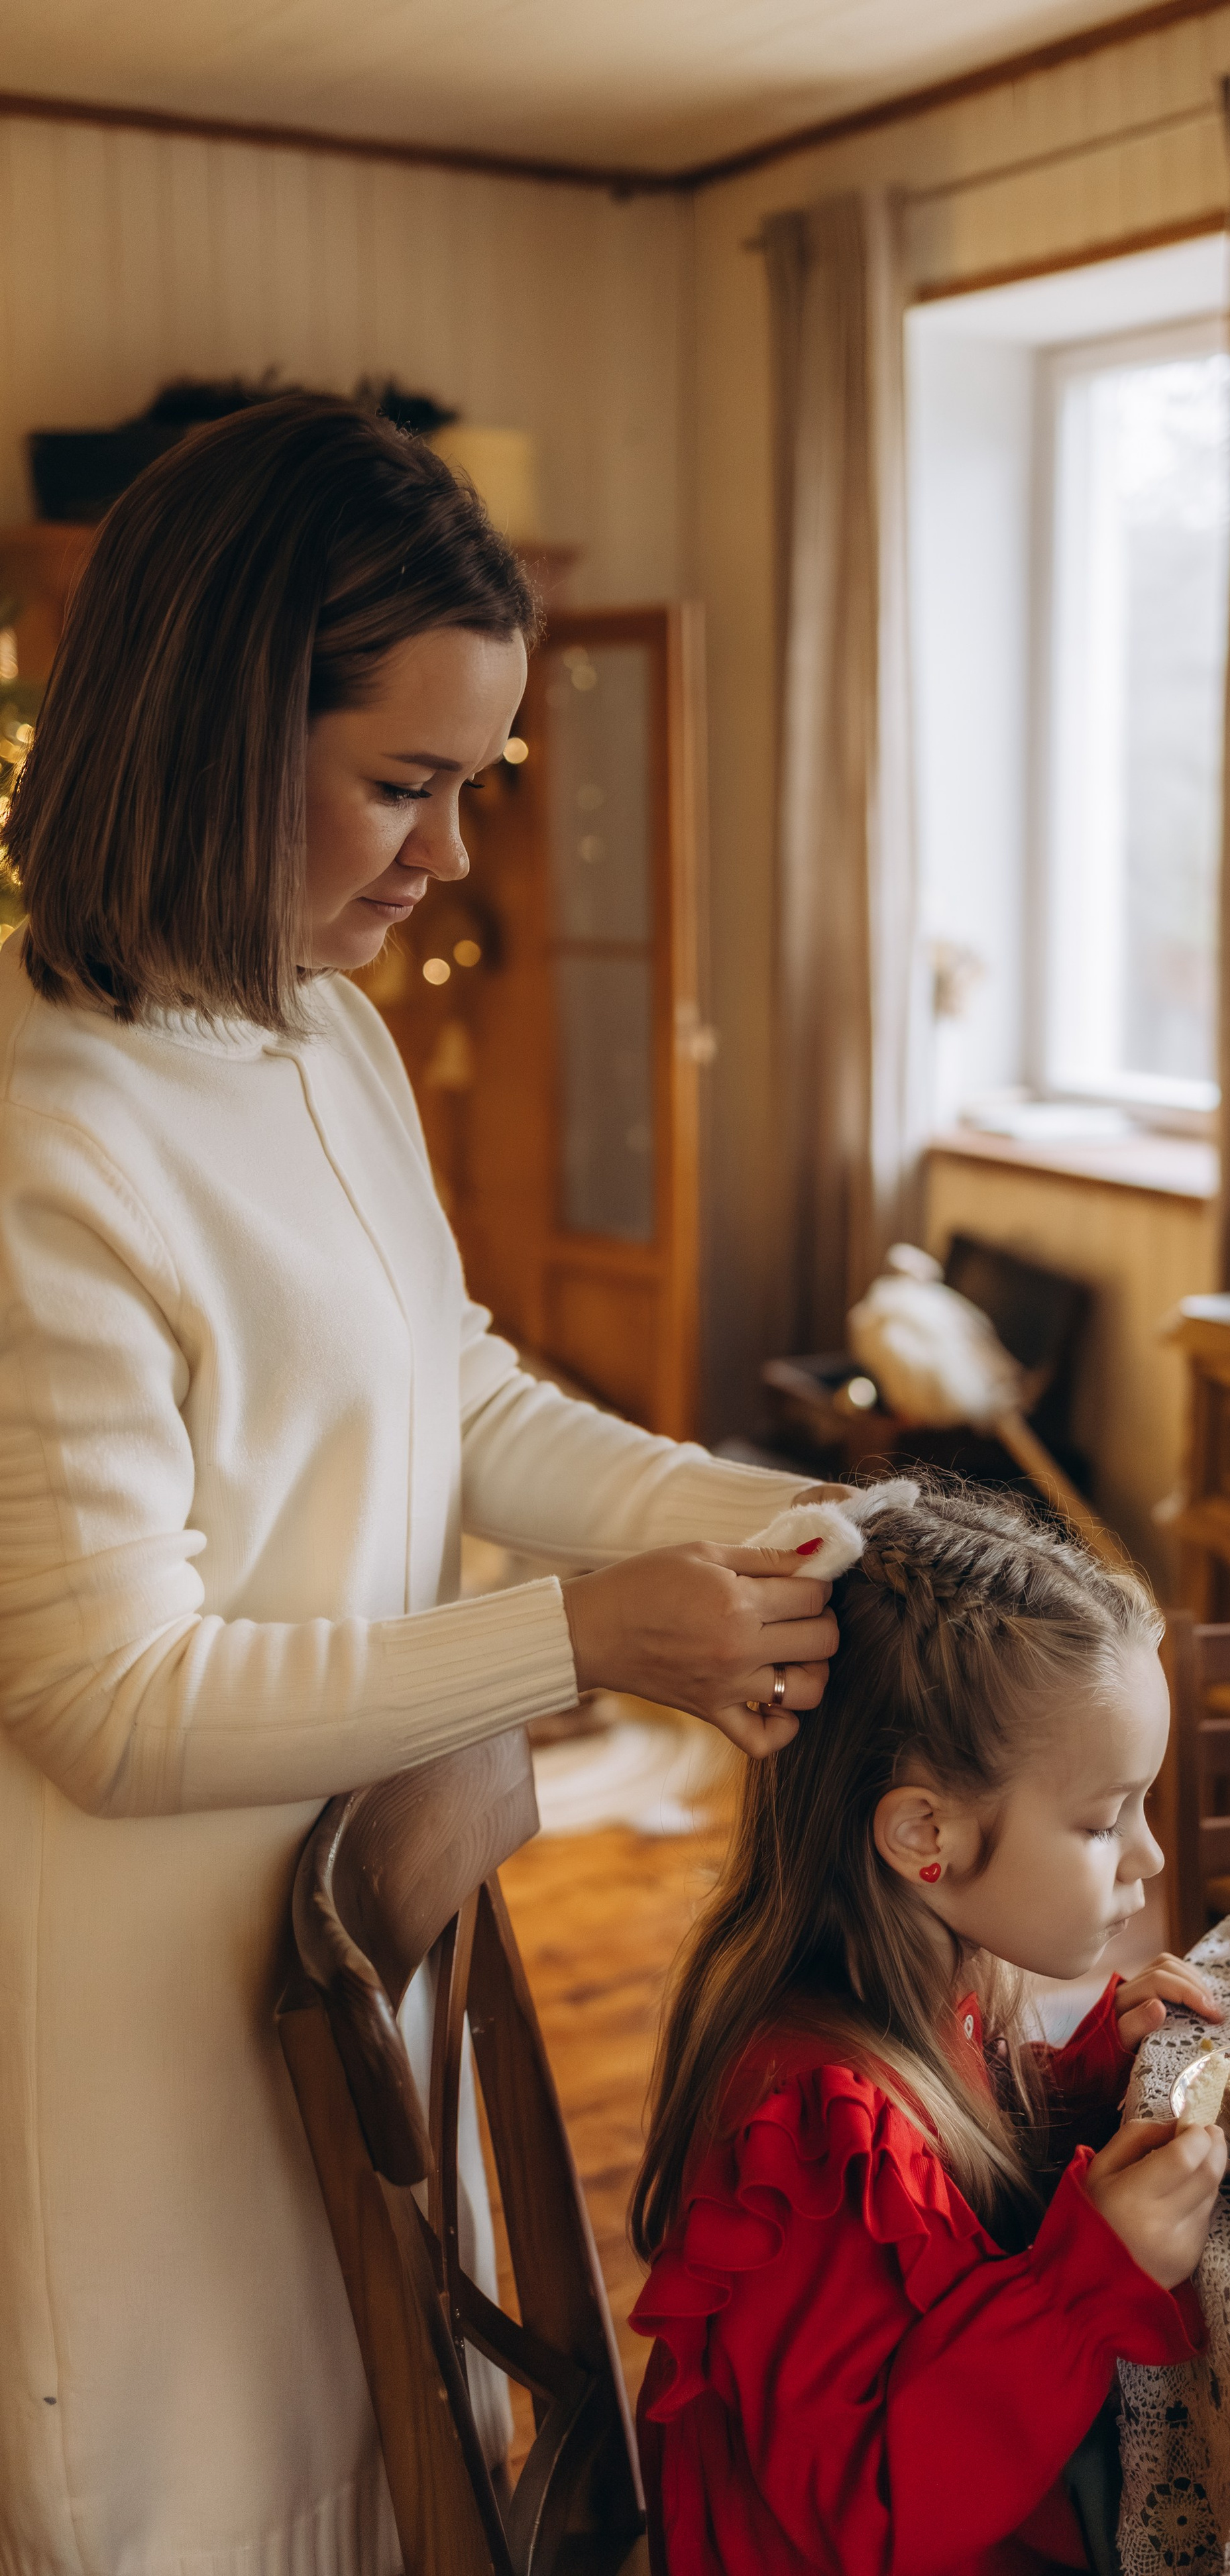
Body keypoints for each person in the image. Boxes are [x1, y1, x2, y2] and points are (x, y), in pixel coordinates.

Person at [0, 396, 842, 2576]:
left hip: (356, 1939)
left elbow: (449, 1391)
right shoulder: (48, 1135)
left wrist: (762, 1518)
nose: (454, 859)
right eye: (406, 783)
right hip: (142, 1993)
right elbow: (106, 1698)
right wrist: (582, 1638)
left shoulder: (321, 1030)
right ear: (205, 729)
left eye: (476, 788)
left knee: (396, 2457)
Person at [628, 1483, 1228, 2575]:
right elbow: (871, 2513)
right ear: (925, 1835)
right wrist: (1090, 2283)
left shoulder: (922, 1979)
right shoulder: (814, 2135)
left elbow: (943, 2232)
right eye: (1103, 1820)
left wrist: (1091, 2079)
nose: (1146, 1859)